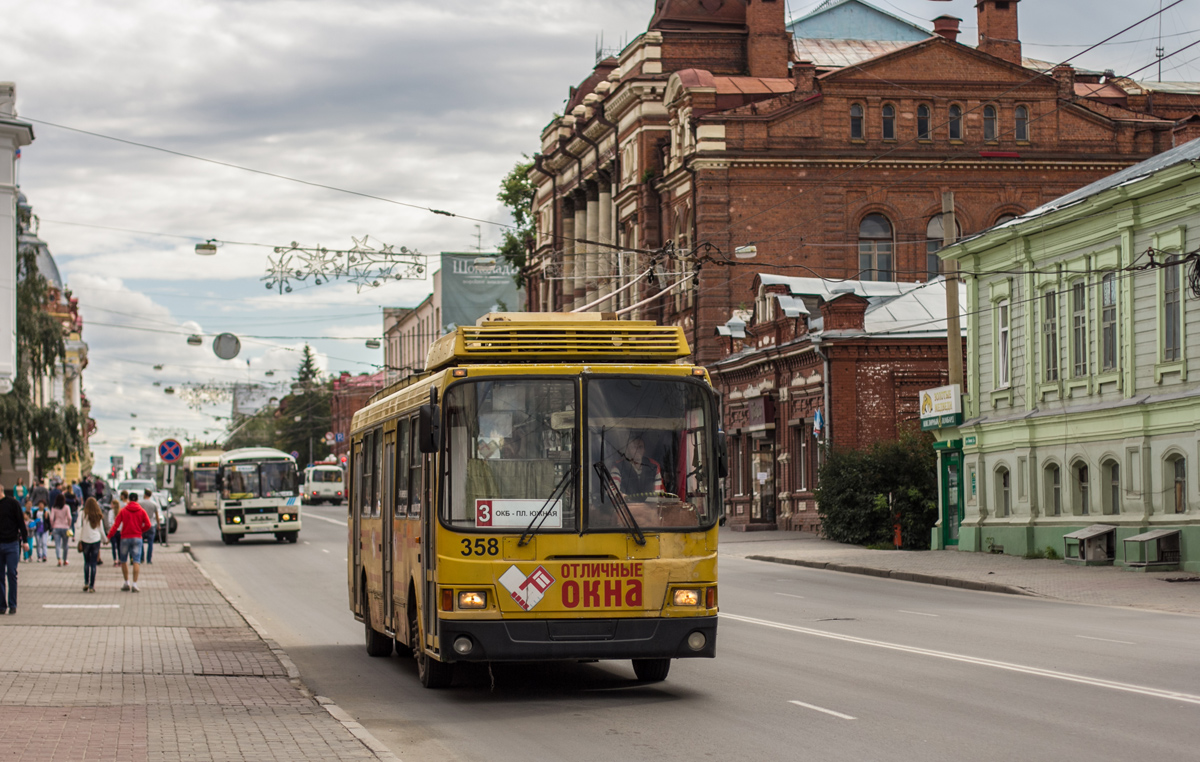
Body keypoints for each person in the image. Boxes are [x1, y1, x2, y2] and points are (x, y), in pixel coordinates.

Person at [107, 494, 152, 592]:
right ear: (137, 499)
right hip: (137, 538)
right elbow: (148, 524)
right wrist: (141, 530)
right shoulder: (141, 511)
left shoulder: (123, 511)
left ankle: (126, 582)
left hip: (125, 538)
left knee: (123, 561)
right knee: (136, 561)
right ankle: (135, 584)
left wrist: (109, 536)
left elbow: (116, 525)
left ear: (128, 500)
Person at [0, 489, 28, 614]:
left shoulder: (12, 503)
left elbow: (21, 523)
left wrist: (25, 541)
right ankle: (1, 605)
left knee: (11, 573)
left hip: (12, 544)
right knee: (0, 576)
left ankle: (13, 604)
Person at [610, 435, 664, 500]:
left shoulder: (654, 466)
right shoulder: (617, 467)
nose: (637, 450)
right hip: (626, 508)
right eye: (634, 447)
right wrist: (622, 497)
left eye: (640, 447)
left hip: (649, 508)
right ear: (627, 450)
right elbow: (613, 492)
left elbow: (658, 494)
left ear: (644, 450)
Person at [77, 497, 106, 593]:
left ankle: (86, 582)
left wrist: (79, 538)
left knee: (87, 562)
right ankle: (92, 586)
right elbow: (101, 530)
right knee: (94, 563)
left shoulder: (82, 514)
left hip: (85, 540)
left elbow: (78, 526)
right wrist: (105, 539)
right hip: (96, 540)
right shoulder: (98, 515)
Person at [48, 493, 73, 567]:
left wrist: (52, 526)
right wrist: (69, 525)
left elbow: (51, 518)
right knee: (65, 545)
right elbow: (70, 517)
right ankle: (65, 560)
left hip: (56, 527)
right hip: (65, 527)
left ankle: (59, 559)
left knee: (57, 545)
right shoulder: (66, 507)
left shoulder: (54, 508)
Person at [141, 489, 161, 564]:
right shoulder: (154, 504)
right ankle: (149, 560)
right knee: (150, 543)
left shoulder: (140, 503)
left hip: (142, 525)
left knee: (141, 542)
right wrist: (158, 525)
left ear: (145, 494)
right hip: (151, 525)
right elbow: (157, 516)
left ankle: (141, 558)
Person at [107, 498, 121, 563]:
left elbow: (109, 522)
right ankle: (120, 559)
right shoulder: (120, 511)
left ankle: (115, 560)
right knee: (119, 546)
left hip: (113, 531)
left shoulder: (110, 512)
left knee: (113, 546)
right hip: (120, 531)